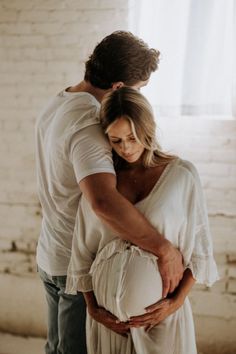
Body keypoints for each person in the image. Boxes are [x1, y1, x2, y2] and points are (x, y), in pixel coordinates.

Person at [35, 31, 184, 354]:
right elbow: (103, 201)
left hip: (51, 252)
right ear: (118, 88)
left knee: (57, 349)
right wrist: (164, 249)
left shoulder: (60, 100)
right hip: (72, 266)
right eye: (139, 90)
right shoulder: (89, 123)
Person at [66, 87, 219, 354]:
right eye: (115, 140)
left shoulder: (182, 176)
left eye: (132, 137)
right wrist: (92, 308)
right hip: (108, 326)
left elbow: (200, 252)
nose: (125, 148)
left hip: (162, 323)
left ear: (148, 129)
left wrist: (175, 304)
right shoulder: (102, 184)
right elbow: (82, 252)